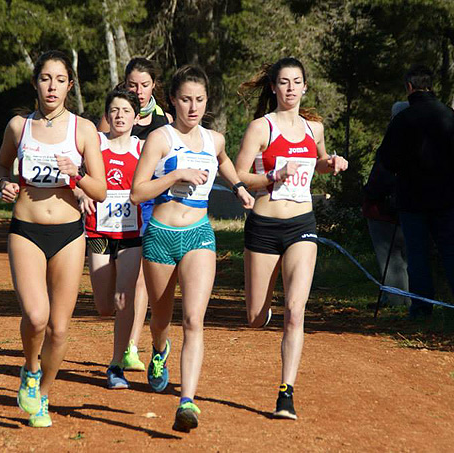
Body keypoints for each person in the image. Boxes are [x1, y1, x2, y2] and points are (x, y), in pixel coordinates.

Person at [130, 65, 254, 432]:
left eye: (199, 100)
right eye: (185, 99)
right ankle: (158, 350)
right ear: (172, 100)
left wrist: (238, 187)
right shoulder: (161, 139)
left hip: (199, 233)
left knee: (194, 320)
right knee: (162, 320)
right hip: (161, 235)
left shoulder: (214, 139)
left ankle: (187, 402)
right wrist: (173, 176)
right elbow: (138, 192)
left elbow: (224, 161)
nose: (193, 107)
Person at [0, 50, 106, 428]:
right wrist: (3, 183)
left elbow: (101, 189)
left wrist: (76, 175)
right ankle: (29, 368)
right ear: (35, 83)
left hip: (69, 233)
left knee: (59, 326)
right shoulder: (18, 126)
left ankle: (42, 396)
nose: (52, 86)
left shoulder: (84, 129)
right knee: (36, 316)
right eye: (45, 78)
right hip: (26, 228)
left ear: (70, 85)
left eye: (60, 79)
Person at [234, 57, 348, 420]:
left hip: (302, 224)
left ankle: (286, 392)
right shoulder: (260, 128)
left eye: (296, 82)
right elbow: (237, 175)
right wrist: (272, 176)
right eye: (283, 82)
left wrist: (331, 164)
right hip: (264, 227)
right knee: (254, 317)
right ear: (273, 87)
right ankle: (263, 311)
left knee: (296, 312)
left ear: (304, 87)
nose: (290, 88)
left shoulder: (314, 128)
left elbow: (319, 161)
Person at [98, 57, 174, 372]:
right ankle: (123, 332)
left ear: (154, 85)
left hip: (149, 208)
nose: (139, 91)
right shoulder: (112, 117)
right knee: (111, 296)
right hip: (111, 218)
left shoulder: (164, 120)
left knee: (141, 282)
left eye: (144, 85)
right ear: (124, 85)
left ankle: (130, 346)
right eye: (133, 85)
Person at [378, 65, 454, 318]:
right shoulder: (448, 115)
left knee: (417, 254)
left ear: (409, 87)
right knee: (450, 250)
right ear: (431, 86)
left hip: (412, 198)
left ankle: (421, 308)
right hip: (446, 197)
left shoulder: (403, 120)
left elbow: (386, 159)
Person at [82, 89, 143, 389]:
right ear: (107, 115)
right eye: (114, 110)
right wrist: (81, 192)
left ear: (137, 117)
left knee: (123, 299)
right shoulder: (95, 145)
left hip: (132, 235)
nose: (120, 116)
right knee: (104, 306)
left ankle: (116, 364)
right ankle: (118, 358)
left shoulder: (142, 149)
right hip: (98, 233)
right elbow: (76, 174)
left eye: (126, 111)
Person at [362, 102, 410, 307]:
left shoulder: (393, 143)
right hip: (413, 208)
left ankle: (397, 301)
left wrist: (369, 195)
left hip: (385, 209)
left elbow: (382, 176)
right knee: (408, 257)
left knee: (391, 259)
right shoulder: (426, 141)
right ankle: (403, 299)